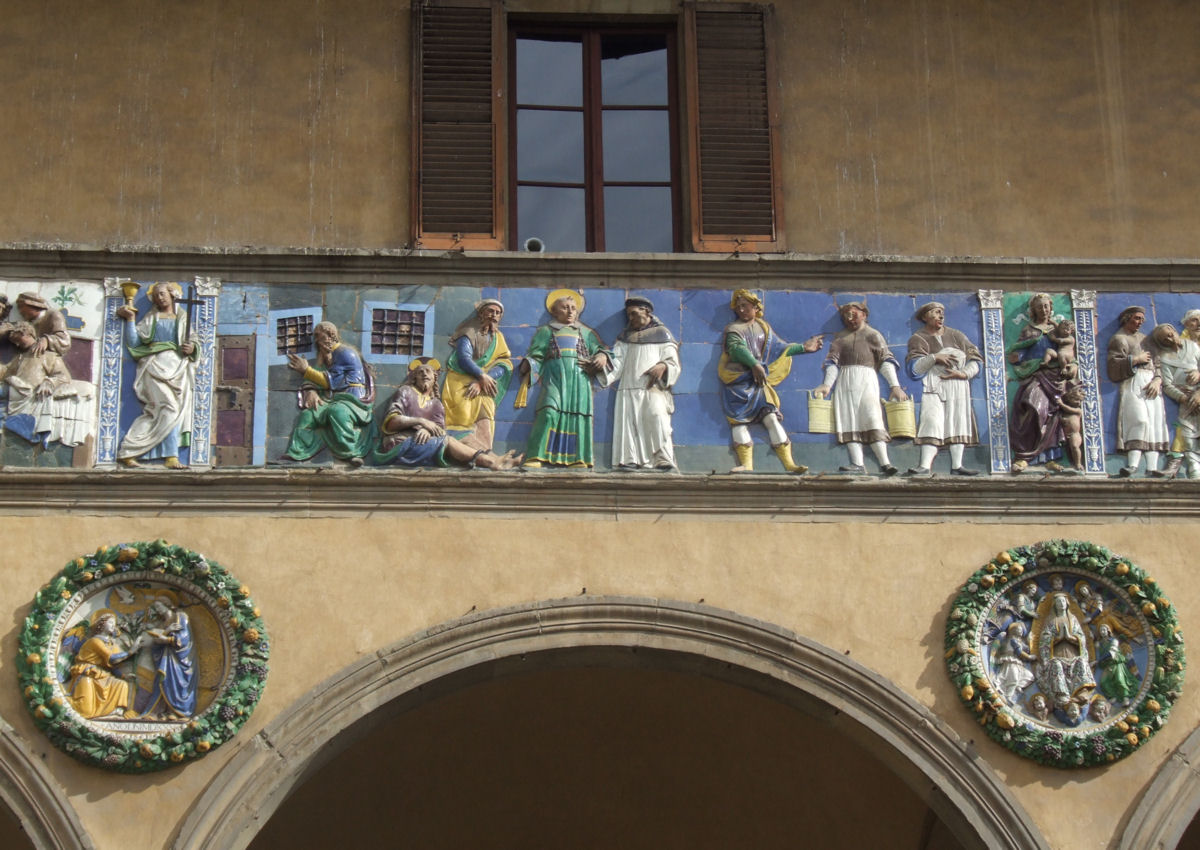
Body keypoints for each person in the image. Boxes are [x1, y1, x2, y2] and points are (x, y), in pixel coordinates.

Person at [718, 290, 823, 473]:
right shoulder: (734, 329)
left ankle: (789, 463)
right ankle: (746, 464)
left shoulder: (763, 327)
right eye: (738, 306)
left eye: (745, 305)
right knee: (739, 422)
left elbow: (780, 348)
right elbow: (736, 349)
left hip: (759, 383)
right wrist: (754, 365)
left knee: (771, 418)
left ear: (756, 307)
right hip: (738, 381)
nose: (741, 310)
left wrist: (803, 348)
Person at [516, 290, 610, 468]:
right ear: (555, 311)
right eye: (565, 308)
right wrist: (528, 364)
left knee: (578, 416)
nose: (570, 311)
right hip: (555, 379)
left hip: (579, 380)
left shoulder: (586, 333)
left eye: (573, 308)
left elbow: (600, 349)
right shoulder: (546, 331)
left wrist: (602, 356)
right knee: (549, 411)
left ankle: (578, 458)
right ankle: (536, 455)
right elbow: (536, 354)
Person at [372, 358, 523, 470]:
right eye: (420, 372)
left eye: (428, 371)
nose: (424, 374)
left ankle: (495, 457)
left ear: (434, 378)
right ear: (414, 378)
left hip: (423, 444)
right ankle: (491, 463)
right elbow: (391, 421)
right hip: (400, 444)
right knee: (448, 441)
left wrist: (427, 430)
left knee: (465, 436)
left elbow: (438, 430)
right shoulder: (405, 392)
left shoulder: (436, 404)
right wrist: (422, 422)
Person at [814, 302, 906, 475]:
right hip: (845, 380)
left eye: (853, 314)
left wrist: (895, 386)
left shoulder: (873, 335)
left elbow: (885, 360)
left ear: (864, 314)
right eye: (846, 315)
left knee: (872, 416)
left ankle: (885, 463)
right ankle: (857, 463)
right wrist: (827, 384)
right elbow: (832, 363)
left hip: (866, 378)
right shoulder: (840, 338)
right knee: (849, 419)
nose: (850, 318)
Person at [115, 282, 198, 469]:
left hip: (177, 369)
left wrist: (192, 348)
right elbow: (135, 342)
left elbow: (193, 341)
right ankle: (165, 455)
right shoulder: (152, 318)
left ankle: (135, 451)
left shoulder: (182, 318)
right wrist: (130, 319)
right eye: (156, 295)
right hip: (154, 367)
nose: (160, 298)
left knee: (167, 412)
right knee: (169, 409)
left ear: (172, 294)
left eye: (163, 294)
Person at [598, 296, 681, 470]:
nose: (631, 318)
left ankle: (662, 457)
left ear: (646, 312)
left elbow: (673, 362)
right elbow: (617, 363)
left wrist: (663, 366)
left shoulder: (663, 334)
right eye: (629, 315)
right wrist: (602, 365)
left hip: (653, 387)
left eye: (634, 314)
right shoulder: (625, 337)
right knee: (629, 423)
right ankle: (629, 459)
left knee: (657, 416)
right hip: (628, 387)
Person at [904, 301, 982, 476]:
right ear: (925, 317)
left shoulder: (957, 336)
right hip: (934, 383)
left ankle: (957, 465)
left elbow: (976, 360)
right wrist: (934, 357)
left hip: (958, 384)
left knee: (958, 421)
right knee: (931, 421)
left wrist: (964, 374)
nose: (941, 316)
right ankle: (924, 465)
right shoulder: (918, 338)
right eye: (936, 312)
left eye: (942, 313)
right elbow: (914, 370)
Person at [283, 321, 375, 466]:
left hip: (353, 400)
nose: (316, 340)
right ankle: (297, 452)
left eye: (319, 336)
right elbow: (317, 378)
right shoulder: (327, 355)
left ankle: (350, 452)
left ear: (330, 335)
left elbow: (329, 381)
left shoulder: (345, 353)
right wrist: (311, 390)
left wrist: (305, 370)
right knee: (309, 414)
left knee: (337, 411)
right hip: (334, 398)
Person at [1007, 293, 1075, 473]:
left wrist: (1072, 367)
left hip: (1055, 376)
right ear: (1033, 311)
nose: (1044, 310)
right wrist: (1016, 357)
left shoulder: (1058, 330)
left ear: (1051, 307)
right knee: (1033, 405)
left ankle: (1050, 457)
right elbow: (1021, 350)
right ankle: (1024, 456)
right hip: (1035, 374)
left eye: (1046, 306)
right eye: (1039, 307)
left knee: (1053, 415)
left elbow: (1068, 351)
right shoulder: (1029, 330)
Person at [0, 321, 94, 446]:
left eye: (19, 340)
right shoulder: (20, 357)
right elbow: (5, 372)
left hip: (28, 395)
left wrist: (48, 382)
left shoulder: (48, 356)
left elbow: (63, 376)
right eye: (14, 343)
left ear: (27, 333)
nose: (16, 344)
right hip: (15, 392)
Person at [442, 299, 513, 452]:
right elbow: (463, 358)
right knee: (462, 414)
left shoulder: (498, 337)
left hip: (483, 384)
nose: (494, 315)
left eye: (498, 313)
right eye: (490, 311)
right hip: (460, 381)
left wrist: (483, 381)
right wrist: (481, 375)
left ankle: (485, 453)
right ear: (481, 313)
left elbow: (504, 363)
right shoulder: (469, 332)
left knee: (487, 409)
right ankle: (458, 450)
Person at [1107, 306, 1168, 477]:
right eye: (1136, 318)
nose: (1140, 322)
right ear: (1126, 319)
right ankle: (1133, 465)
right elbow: (1113, 365)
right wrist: (1135, 359)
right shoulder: (1119, 339)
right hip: (1133, 382)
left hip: (1151, 383)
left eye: (1142, 319)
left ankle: (1151, 467)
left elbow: (1158, 363)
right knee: (1139, 420)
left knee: (1154, 423)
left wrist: (1158, 379)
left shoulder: (1145, 339)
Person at [65, 613, 142, 720]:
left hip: (103, 675)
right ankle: (65, 701)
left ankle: (114, 712)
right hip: (88, 674)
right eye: (110, 622)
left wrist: (124, 676)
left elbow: (112, 665)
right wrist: (130, 652)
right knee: (84, 711)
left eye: (114, 624)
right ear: (101, 624)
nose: (113, 626)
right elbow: (111, 658)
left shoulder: (111, 644)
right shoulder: (94, 641)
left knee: (122, 685)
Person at [1154, 323, 1200, 479]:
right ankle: (1194, 469)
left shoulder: (1193, 347)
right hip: (1185, 400)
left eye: (1170, 333)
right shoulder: (1165, 358)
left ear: (1175, 330)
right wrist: (1185, 398)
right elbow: (1167, 385)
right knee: (1188, 433)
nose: (1170, 337)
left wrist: (1198, 380)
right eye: (1165, 337)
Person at [1034, 593, 1095, 710]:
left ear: (1067, 604)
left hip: (1072, 651)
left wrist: (1071, 637)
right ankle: (1062, 694)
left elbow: (1081, 637)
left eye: (1062, 601)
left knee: (1081, 662)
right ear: (1054, 605)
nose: (1061, 604)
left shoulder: (1072, 619)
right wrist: (1058, 638)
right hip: (1057, 653)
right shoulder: (1051, 620)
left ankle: (1081, 691)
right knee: (1056, 664)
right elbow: (1044, 639)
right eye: (1058, 602)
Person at [139, 597, 196, 720]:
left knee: (176, 682)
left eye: (159, 606)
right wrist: (163, 636)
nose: (157, 610)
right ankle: (160, 712)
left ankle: (176, 712)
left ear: (167, 604)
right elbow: (156, 642)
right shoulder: (162, 624)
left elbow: (185, 637)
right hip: (165, 657)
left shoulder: (180, 616)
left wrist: (168, 639)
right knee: (163, 681)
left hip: (178, 658)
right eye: (155, 608)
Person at [0, 291, 71, 355]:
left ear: (33, 304)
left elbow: (64, 340)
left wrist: (46, 340)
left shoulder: (53, 315)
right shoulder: (27, 323)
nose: (20, 311)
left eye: (21, 306)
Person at [991, 621, 1036, 702]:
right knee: (1013, 678)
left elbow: (1026, 649)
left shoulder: (1019, 642)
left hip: (1018, 663)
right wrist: (1029, 657)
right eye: (1018, 629)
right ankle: (1008, 696)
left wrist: (1029, 641)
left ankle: (1018, 686)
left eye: (1021, 630)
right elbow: (1019, 652)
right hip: (1010, 660)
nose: (1021, 631)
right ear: (1012, 630)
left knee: (1030, 676)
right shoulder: (1012, 640)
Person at [1095, 623, 1140, 703]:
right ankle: (1112, 696)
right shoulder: (1100, 644)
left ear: (1108, 631)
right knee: (1103, 682)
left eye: (1104, 629)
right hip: (1108, 665)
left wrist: (1098, 661)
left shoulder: (1114, 641)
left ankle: (1125, 698)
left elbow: (1111, 653)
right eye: (1100, 630)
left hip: (1117, 663)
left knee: (1120, 680)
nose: (1102, 632)